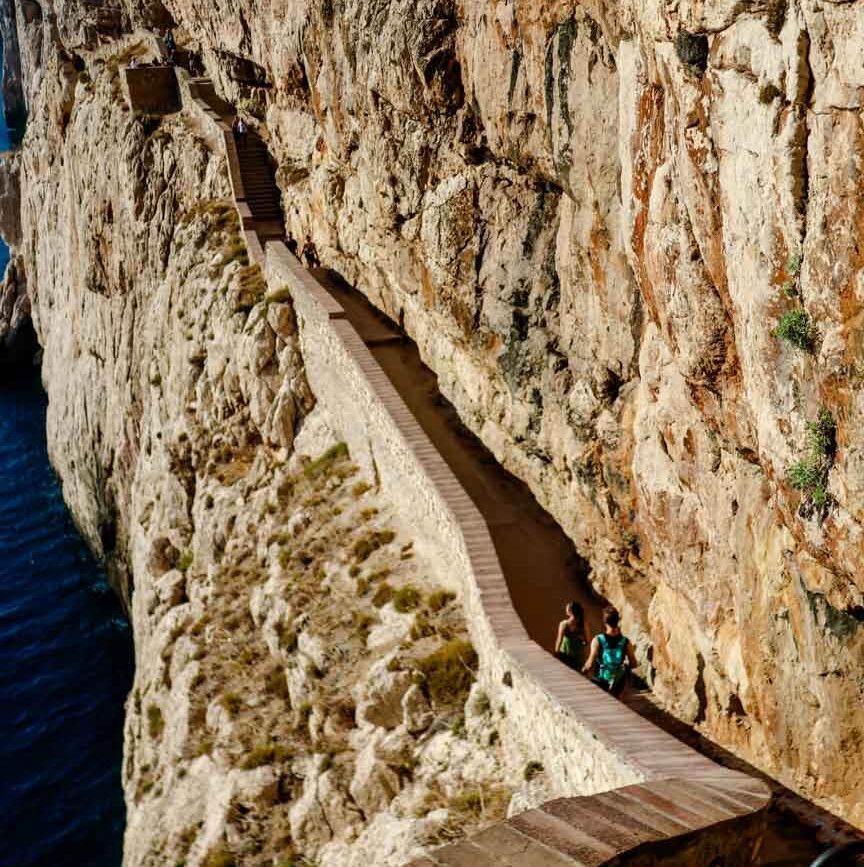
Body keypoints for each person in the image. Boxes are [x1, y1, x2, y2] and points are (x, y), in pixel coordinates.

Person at [582, 606, 637, 697]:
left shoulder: (598, 640)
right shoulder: (626, 642)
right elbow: (634, 663)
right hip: (618, 682)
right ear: (618, 621)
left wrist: (583, 670)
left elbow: (590, 664)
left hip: (601, 680)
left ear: (604, 622)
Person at [555, 601, 589, 671]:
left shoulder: (564, 624)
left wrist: (556, 653)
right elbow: (587, 642)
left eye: (567, 608)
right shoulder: (583, 624)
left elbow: (559, 641)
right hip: (578, 656)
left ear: (570, 611)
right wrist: (580, 640)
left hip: (565, 653)